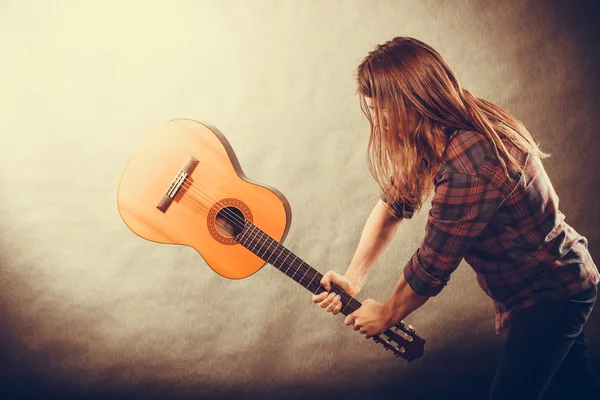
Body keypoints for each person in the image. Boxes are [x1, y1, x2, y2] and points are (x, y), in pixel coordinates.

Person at [312, 36, 600, 399]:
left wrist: (386, 314)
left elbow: (432, 265)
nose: (378, 123)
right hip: (550, 285)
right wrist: (353, 278)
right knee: (577, 389)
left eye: (382, 108)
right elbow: (393, 205)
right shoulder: (439, 124)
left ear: (410, 100)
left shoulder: (470, 162)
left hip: (553, 292)